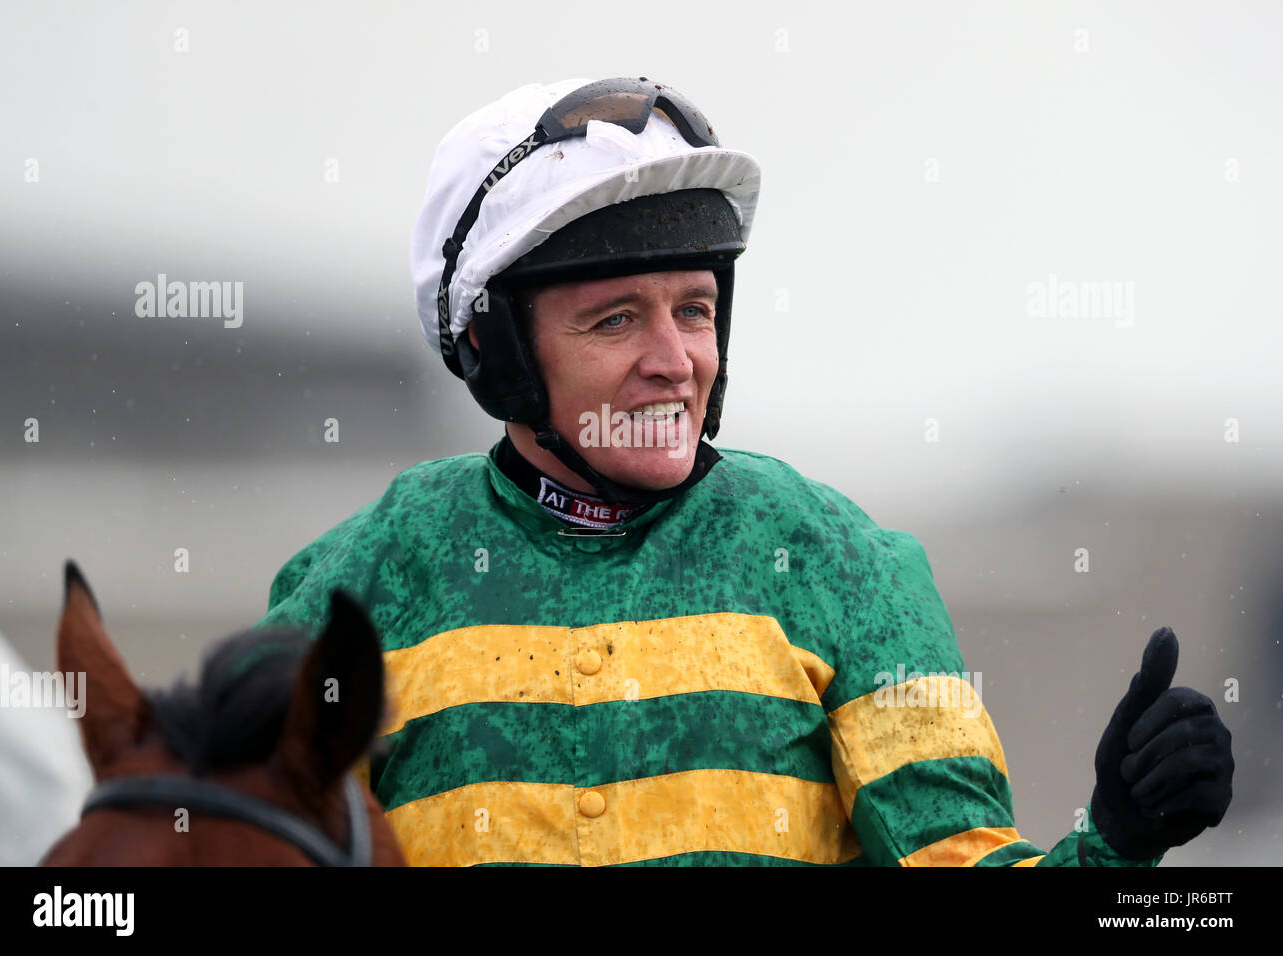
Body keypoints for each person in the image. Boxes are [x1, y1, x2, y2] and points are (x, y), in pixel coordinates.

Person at [256, 77, 1233, 866]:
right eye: (615, 318)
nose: (674, 358)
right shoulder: (358, 581)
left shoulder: (836, 558)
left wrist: (1114, 843)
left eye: (693, 309)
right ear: (494, 347)